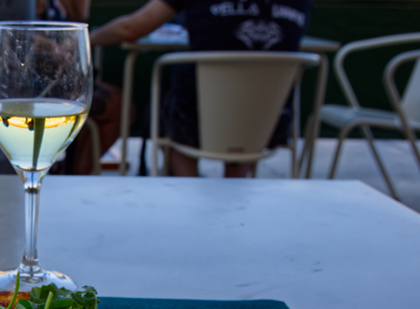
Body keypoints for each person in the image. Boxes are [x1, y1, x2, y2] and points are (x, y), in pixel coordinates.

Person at [89, 0, 312, 177]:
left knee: (168, 107)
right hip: (269, 122)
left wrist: (88, 39)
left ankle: (189, 184)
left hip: (197, 119)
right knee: (249, 103)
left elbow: (129, 29)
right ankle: (234, 183)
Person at [38, 0, 127, 175]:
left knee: (121, 106)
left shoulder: (60, 6)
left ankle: (74, 171)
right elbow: (22, 34)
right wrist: (53, 48)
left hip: (65, 81)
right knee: (115, 105)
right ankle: (75, 172)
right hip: (39, 85)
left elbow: (80, 17)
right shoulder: (35, 5)